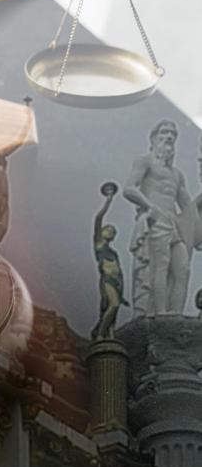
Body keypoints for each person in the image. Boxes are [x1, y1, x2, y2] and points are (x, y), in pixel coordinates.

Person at [123, 120, 191, 316]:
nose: (169, 137)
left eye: (173, 134)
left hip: (173, 223)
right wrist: (150, 206)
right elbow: (129, 189)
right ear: (154, 138)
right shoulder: (145, 161)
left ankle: (175, 314)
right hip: (155, 220)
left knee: (182, 269)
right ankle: (160, 314)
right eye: (165, 132)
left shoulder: (177, 174)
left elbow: (187, 205)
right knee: (159, 266)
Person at [91, 182, 127, 340]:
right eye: (109, 229)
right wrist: (109, 199)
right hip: (107, 280)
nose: (111, 232)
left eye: (113, 232)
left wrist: (123, 290)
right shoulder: (99, 243)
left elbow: (120, 271)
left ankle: (110, 335)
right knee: (113, 305)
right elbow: (99, 217)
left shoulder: (114, 253)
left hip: (116, 281)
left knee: (114, 311)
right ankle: (99, 333)